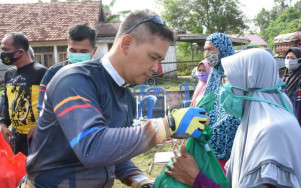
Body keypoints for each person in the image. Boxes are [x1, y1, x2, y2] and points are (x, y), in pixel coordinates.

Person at [24, 9, 207, 188]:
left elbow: (115, 154)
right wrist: (169, 125)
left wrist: (141, 180)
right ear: (126, 43)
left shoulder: (126, 96)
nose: (156, 68)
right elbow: (93, 148)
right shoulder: (74, 80)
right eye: (153, 57)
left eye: (159, 61)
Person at [166, 48, 301, 188]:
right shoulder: (253, 123)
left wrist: (195, 179)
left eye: (230, 80)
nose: (225, 88)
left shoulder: (272, 131)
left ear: (249, 82)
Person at [0, 32, 47, 155]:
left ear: (20, 52)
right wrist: (4, 124)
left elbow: (52, 104)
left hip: (37, 137)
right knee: (20, 171)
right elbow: (7, 101)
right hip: (16, 136)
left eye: (5, 49)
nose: (3, 54)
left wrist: (41, 126)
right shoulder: (9, 74)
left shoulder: (41, 72)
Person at [37, 24, 98, 116]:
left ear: (94, 51)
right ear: (67, 49)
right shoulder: (53, 73)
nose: (77, 54)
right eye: (73, 50)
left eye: (83, 51)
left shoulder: (100, 74)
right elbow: (42, 108)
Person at [202, 33, 240, 172]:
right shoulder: (214, 72)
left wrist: (217, 125)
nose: (207, 54)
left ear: (223, 49)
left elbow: (236, 109)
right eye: (205, 49)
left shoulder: (234, 73)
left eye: (210, 49)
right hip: (211, 140)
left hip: (229, 141)